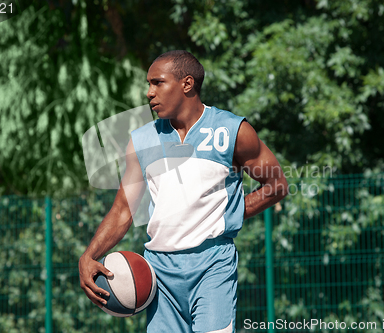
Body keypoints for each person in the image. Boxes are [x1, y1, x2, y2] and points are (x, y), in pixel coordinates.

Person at [79, 50, 287, 333]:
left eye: (157, 83)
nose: (149, 93)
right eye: (149, 84)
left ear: (187, 84)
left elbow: (276, 186)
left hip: (213, 265)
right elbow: (123, 211)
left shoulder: (232, 130)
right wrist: (89, 255)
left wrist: (228, 214)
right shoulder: (141, 140)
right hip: (159, 273)